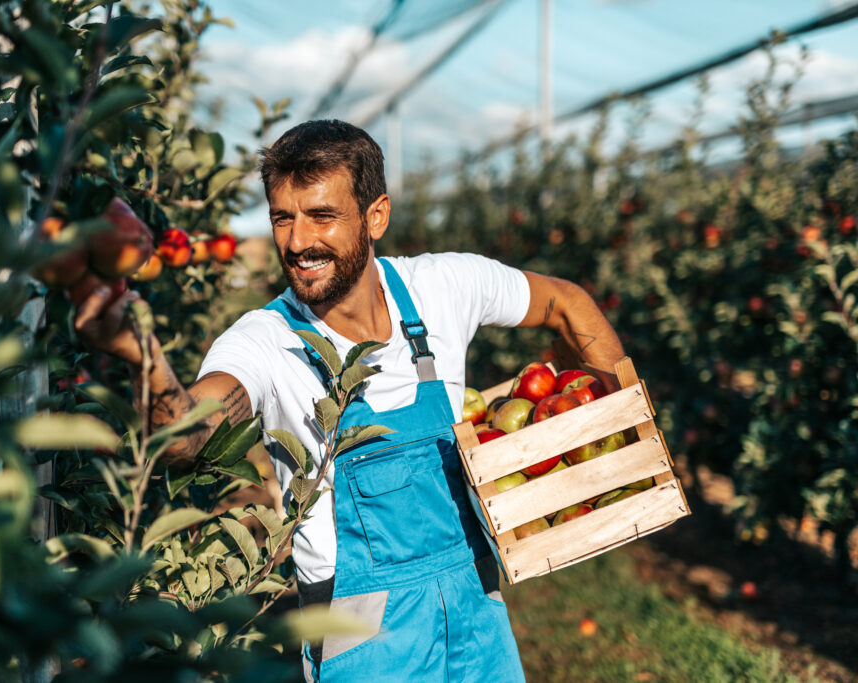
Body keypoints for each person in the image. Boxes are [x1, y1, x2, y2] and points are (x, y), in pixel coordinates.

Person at [75, 119, 625, 682]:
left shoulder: (442, 287)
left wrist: (618, 429)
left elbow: (567, 303)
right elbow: (188, 437)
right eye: (282, 218)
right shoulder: (265, 340)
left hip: (478, 611)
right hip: (364, 644)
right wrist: (143, 355)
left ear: (376, 216)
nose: (296, 242)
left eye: (322, 216)